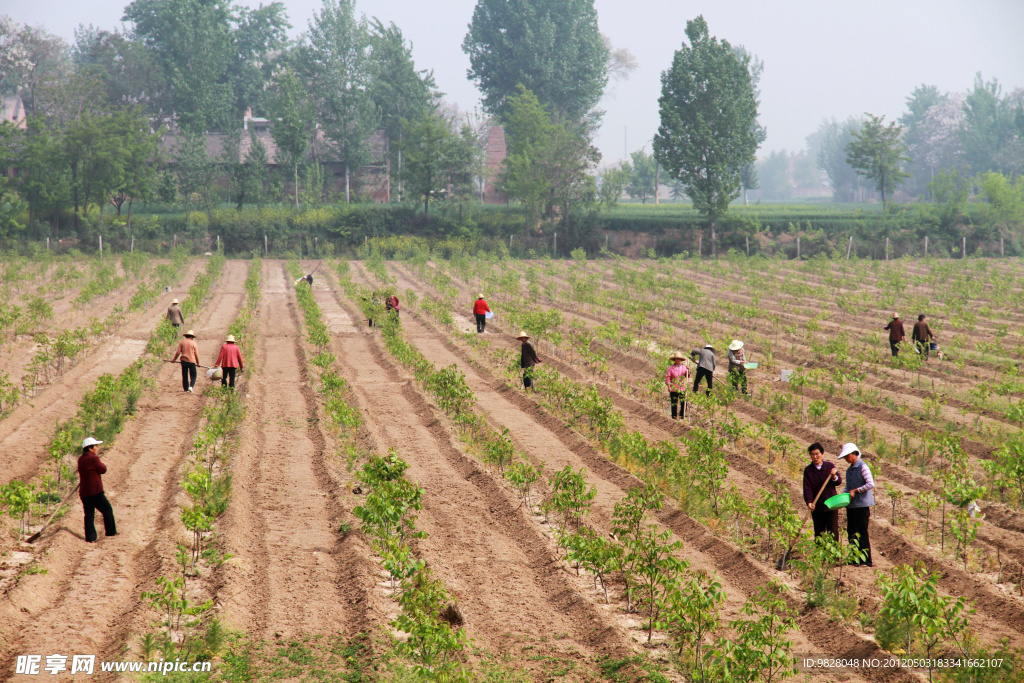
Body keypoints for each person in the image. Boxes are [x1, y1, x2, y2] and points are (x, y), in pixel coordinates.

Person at [840, 442, 874, 567]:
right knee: (851, 532)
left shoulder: (862, 466)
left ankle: (866, 560)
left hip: (862, 506)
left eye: (847, 456)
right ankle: (855, 558)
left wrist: (856, 490)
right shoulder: (849, 470)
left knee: (861, 532)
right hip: (852, 506)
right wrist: (841, 496)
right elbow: (848, 487)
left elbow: (870, 484)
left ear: (854, 454)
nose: (845, 459)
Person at [78, 437, 117, 542]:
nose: (97, 448)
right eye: (95, 446)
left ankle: (90, 538)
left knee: (89, 515)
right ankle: (111, 532)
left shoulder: (80, 459)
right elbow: (103, 469)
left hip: (84, 493)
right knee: (107, 510)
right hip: (95, 492)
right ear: (90, 448)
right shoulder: (94, 459)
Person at [803, 442, 842, 543]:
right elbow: (807, 488)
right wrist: (809, 502)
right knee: (819, 533)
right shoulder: (808, 470)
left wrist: (834, 476)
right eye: (812, 454)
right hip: (817, 506)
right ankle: (820, 557)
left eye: (817, 454)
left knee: (832, 531)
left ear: (822, 454)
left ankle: (833, 557)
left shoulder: (829, 466)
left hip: (831, 505)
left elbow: (838, 482)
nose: (815, 457)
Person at [170, 329, 201, 393]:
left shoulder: (182, 342)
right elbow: (196, 354)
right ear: (192, 337)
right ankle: (191, 386)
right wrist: (198, 363)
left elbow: (178, 352)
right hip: (192, 361)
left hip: (184, 361)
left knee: (184, 375)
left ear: (186, 336)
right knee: (193, 375)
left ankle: (186, 389)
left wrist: (174, 359)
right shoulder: (194, 343)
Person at [665, 351, 689, 419]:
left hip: (682, 388)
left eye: (679, 359)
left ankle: (682, 416)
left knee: (683, 402)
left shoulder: (684, 367)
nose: (677, 360)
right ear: (674, 360)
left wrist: (688, 371)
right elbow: (668, 377)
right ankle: (674, 416)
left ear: (681, 360)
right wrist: (669, 386)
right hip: (674, 387)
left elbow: (687, 375)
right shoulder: (670, 368)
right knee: (674, 403)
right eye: (676, 359)